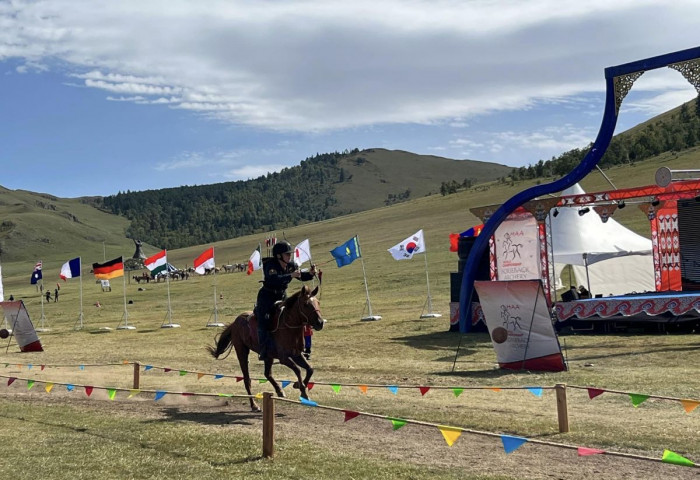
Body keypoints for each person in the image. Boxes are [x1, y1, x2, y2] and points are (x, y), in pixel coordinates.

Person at [255, 240, 316, 360]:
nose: (290, 256)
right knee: (264, 320)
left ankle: (297, 345)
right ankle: (263, 349)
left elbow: (300, 275)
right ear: (279, 256)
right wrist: (291, 275)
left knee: (295, 315)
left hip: (282, 295)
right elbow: (274, 279)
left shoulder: (291, 265)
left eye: (290, 254)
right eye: (287, 254)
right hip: (267, 297)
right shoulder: (270, 265)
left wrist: (310, 273)